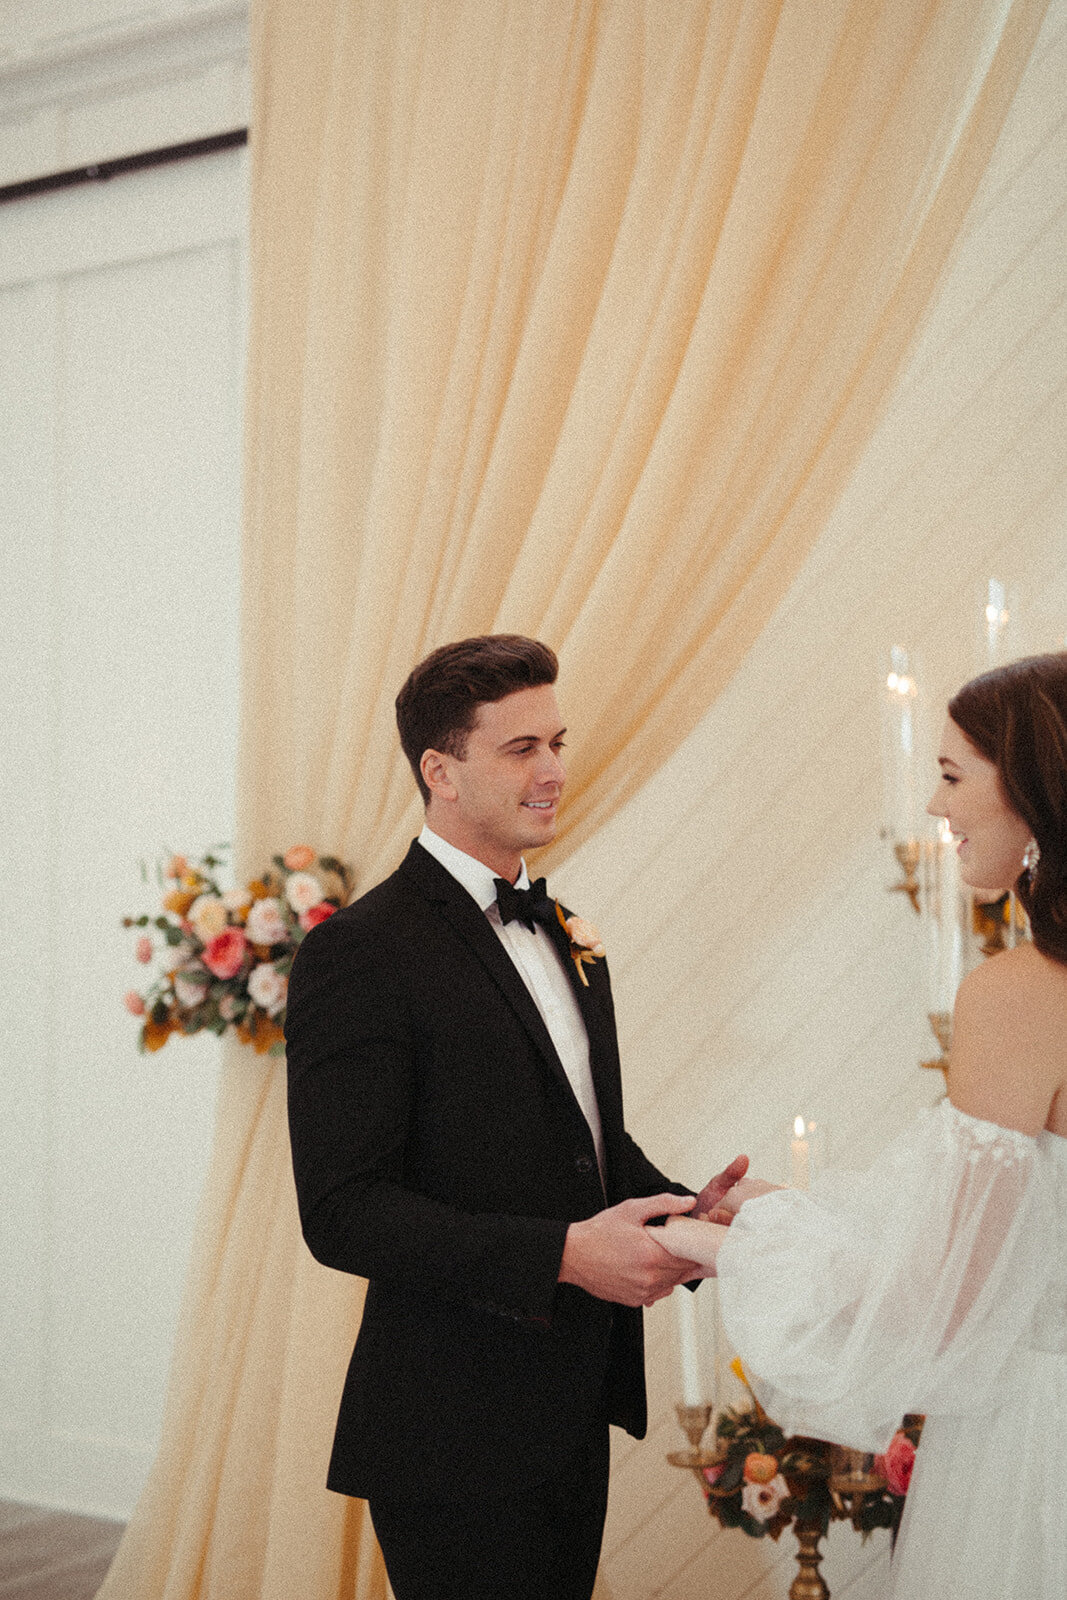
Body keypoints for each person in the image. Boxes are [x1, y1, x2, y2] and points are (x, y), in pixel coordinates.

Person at [284, 633, 746, 1600]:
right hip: (447, 1423)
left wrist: (685, 1215)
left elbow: (574, 1142)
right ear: (439, 772)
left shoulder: (565, 929)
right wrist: (562, 1258)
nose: (555, 771)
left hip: (567, 1402)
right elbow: (342, 1211)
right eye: (521, 749)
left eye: (557, 742)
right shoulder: (361, 954)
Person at [665, 651, 1067, 1599]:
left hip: (1038, 1447)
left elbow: (949, 1305)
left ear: (1036, 791)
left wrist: (733, 1246)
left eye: (952, 775)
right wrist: (786, 1211)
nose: (935, 806)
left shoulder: (1018, 994)